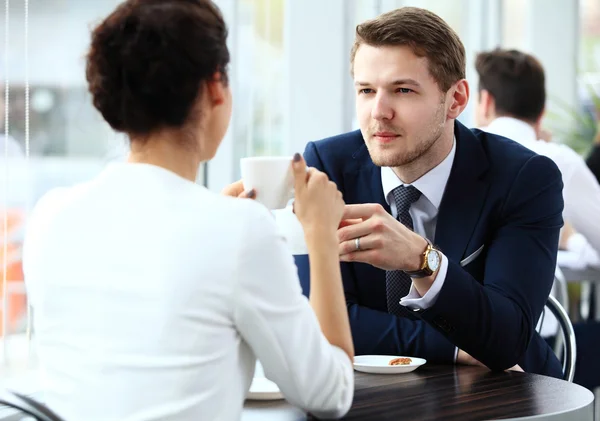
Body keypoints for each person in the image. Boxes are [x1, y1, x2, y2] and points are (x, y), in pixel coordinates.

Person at [22, 1, 354, 420]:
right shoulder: (239, 231)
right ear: (215, 86)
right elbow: (331, 395)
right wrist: (321, 236)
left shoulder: (51, 216)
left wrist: (219, 226)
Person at [295, 8, 563, 377]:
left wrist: (422, 261)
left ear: (456, 99)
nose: (379, 112)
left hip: (505, 395)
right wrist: (452, 347)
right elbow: (318, 319)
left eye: (402, 90)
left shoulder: (524, 178)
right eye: (366, 90)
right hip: (369, 399)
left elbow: (507, 339)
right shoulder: (328, 164)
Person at [475, 48, 600, 257]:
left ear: (486, 102)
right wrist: (571, 241)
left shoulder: (456, 151)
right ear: (542, 112)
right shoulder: (561, 161)